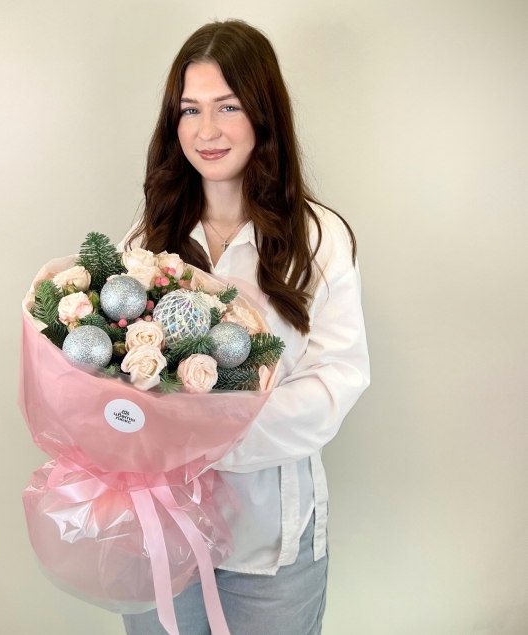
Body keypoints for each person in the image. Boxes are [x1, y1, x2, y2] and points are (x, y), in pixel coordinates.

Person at [118, 19, 370, 635]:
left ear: (263, 113)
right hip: (160, 531)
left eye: (227, 106)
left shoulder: (318, 239)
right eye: (190, 109)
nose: (206, 130)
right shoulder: (147, 242)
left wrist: (207, 432)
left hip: (271, 546)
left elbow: (336, 382)